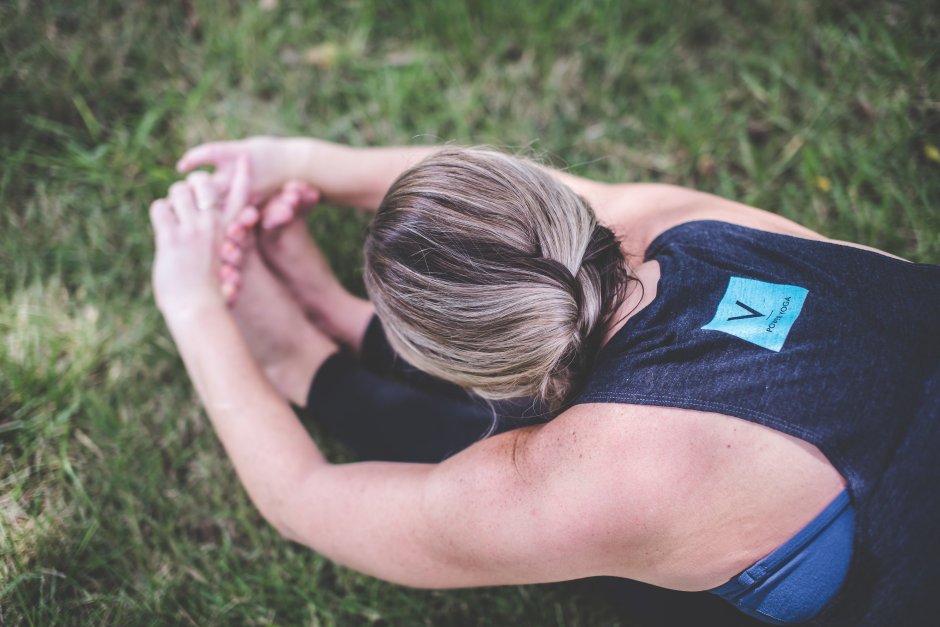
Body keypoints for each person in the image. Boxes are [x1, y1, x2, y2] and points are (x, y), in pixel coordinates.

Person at [151, 137, 939, 626]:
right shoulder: (682, 224)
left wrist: (191, 305)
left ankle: (302, 359)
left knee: (549, 498)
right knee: (569, 465)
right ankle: (335, 322)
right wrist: (299, 161)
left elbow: (303, 498)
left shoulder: (590, 476)